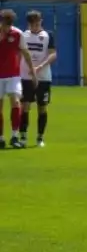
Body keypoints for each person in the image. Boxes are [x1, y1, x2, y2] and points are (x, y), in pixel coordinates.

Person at [0, 9, 38, 149]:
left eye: (9, 24)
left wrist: (33, 72)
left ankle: (15, 136)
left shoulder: (17, 34)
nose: (7, 27)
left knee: (16, 102)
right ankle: (1, 138)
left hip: (13, 75)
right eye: (5, 24)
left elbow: (26, 53)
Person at [18, 10, 56, 147]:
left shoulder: (48, 35)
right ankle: (23, 137)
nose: (36, 25)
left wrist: (40, 67)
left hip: (44, 77)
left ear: (41, 21)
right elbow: (19, 54)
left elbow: (53, 54)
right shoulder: (23, 35)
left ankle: (40, 138)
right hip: (26, 76)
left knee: (42, 107)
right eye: (33, 23)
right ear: (29, 23)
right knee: (25, 106)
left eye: (38, 22)